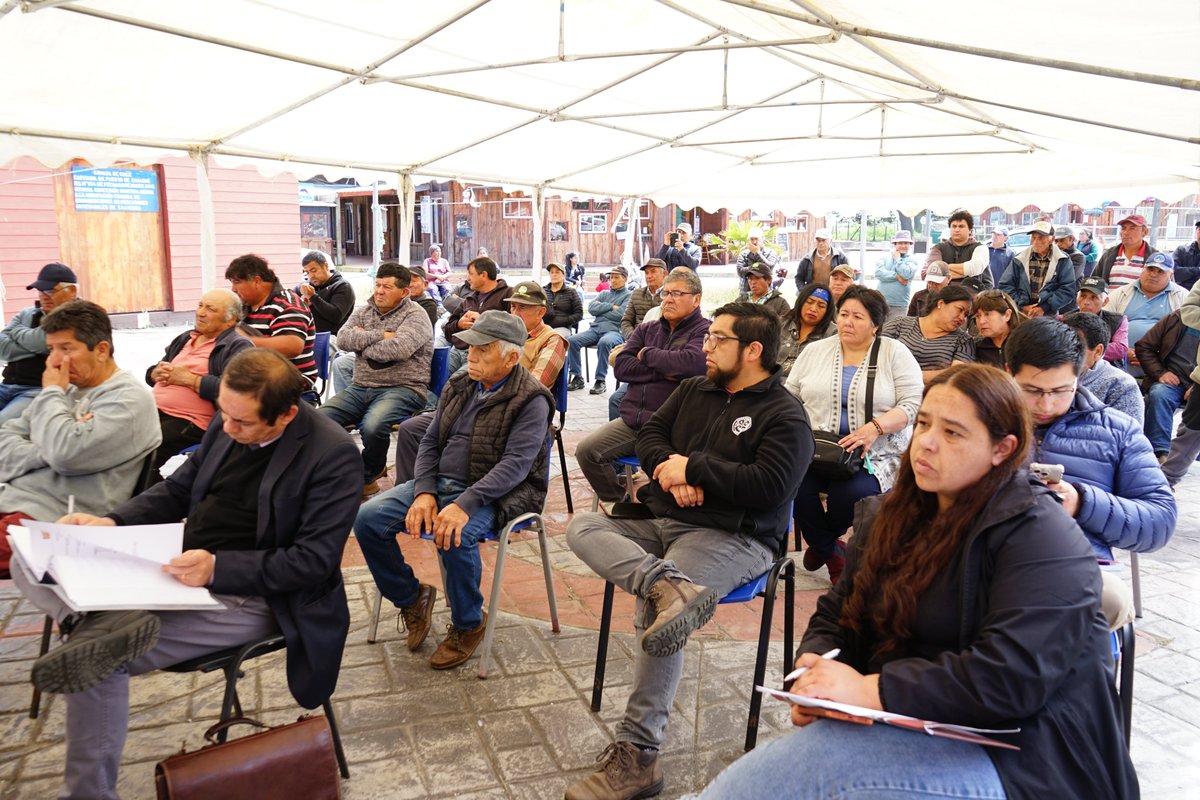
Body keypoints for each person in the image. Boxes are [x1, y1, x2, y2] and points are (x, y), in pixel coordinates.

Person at [697, 364, 1138, 800]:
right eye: (924, 423)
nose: (925, 443)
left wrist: (870, 690)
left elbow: (1010, 679)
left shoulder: (1041, 537)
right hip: (912, 721)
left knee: (800, 778)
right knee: (792, 770)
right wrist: (815, 667)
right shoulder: (893, 514)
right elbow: (840, 609)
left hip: (1025, 758)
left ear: (1002, 449)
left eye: (952, 433)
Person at [21, 348, 361, 799]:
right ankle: (90, 622)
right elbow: (180, 488)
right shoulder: (230, 414)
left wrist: (218, 568)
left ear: (286, 416)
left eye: (242, 423)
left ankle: (88, 793)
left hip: (260, 596)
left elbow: (313, 560)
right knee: (28, 558)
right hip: (182, 562)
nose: (228, 428)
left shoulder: (332, 454)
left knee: (101, 661)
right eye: (224, 414)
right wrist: (114, 522)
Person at [565, 303, 812, 800]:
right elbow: (651, 434)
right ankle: (664, 584)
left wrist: (693, 470)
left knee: (659, 615)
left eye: (719, 339)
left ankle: (639, 756)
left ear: (753, 350)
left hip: (733, 536)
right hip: (663, 519)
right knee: (585, 527)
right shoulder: (695, 388)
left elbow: (771, 487)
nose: (706, 345)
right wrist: (668, 474)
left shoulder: (784, 415)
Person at [355, 311, 552, 669]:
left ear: (511, 358)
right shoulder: (461, 383)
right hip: (443, 482)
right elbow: (430, 440)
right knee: (367, 518)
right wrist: (425, 491)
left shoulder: (531, 399)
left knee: (453, 533)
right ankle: (412, 597)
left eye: (482, 351)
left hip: (498, 493)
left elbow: (516, 466)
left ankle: (468, 623)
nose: (470, 357)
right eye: (470, 348)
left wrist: (464, 503)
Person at [1006, 317, 1175, 629]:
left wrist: (1082, 502)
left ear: (1079, 375)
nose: (1046, 403)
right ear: (1008, 373)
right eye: (1031, 390)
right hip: (987, 552)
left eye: (1060, 390)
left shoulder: (1117, 431)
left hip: (1076, 563)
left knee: (1104, 600)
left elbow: (1160, 521)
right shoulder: (983, 421)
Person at [0, 300, 162, 576]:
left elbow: (65, 456)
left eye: (66, 349)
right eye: (51, 349)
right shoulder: (68, 390)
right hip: (13, 501)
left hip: (56, 521)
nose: (53, 361)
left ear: (101, 350)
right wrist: (47, 450)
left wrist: (51, 398)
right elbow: (5, 443)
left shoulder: (127, 399)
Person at [787, 286, 923, 584]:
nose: (847, 322)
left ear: (876, 324)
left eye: (858, 317)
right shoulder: (816, 351)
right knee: (794, 488)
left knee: (850, 495)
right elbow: (790, 396)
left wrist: (875, 428)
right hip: (818, 448)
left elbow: (912, 404)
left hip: (874, 451)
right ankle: (832, 552)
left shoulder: (894, 353)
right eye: (844, 314)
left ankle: (823, 544)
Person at [574, 268, 708, 506]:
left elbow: (692, 363)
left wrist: (645, 354)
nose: (668, 299)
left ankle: (657, 515)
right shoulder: (648, 328)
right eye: (666, 293)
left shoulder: (705, 330)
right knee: (587, 451)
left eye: (677, 293)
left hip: (673, 428)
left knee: (669, 483)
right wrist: (665, 370)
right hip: (633, 422)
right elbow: (622, 367)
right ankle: (621, 502)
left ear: (696, 299)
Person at [319, 263, 433, 496]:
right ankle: (339, 470)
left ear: (404, 292)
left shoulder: (416, 315)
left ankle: (369, 474)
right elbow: (343, 339)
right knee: (318, 419)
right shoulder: (364, 310)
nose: (379, 291)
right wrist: (381, 335)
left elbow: (398, 349)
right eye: (378, 284)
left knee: (373, 425)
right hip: (361, 386)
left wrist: (361, 343)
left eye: (387, 287)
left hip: (404, 388)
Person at [146, 289, 253, 472]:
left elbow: (236, 391)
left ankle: (161, 498)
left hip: (191, 421)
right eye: (200, 305)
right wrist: (154, 374)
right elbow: (152, 372)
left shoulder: (238, 345)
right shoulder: (186, 338)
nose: (201, 312)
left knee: (143, 451)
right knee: (116, 438)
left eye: (210, 309)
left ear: (230, 319)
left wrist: (191, 380)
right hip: (153, 410)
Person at [0, 262, 80, 425]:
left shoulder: (78, 315)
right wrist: (35, 347)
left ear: (71, 291)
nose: (44, 296)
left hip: (37, 389)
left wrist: (17, 332)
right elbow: (2, 347)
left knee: (3, 425)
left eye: (51, 290)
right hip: (6, 384)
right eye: (40, 290)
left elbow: (42, 342)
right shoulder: (28, 313)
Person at [225, 253, 318, 388]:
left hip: (287, 382)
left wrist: (240, 341)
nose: (233, 289)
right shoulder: (245, 305)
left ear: (257, 281)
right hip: (256, 377)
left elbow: (293, 346)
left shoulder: (287, 304)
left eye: (237, 282)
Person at [1105, 251, 1187, 376]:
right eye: (1150, 269)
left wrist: (1152, 356)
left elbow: (1188, 339)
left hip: (1165, 367)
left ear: (1171, 275)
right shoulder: (1120, 293)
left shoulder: (1184, 297)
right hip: (1119, 364)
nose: (1154, 275)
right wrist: (1121, 351)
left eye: (1160, 271)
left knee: (1160, 394)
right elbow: (1102, 326)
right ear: (1142, 270)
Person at [1133, 308, 1198, 458]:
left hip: (1198, 383)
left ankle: (1193, 455)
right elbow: (1144, 346)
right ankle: (1159, 451)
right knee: (1159, 394)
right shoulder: (1176, 317)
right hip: (1172, 379)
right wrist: (1160, 372)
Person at [881, 284, 975, 384]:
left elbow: (957, 374)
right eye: (960, 309)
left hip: (932, 395)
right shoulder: (900, 324)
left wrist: (904, 376)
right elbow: (873, 353)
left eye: (966, 314)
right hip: (886, 389)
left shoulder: (963, 341)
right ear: (941, 303)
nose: (962, 318)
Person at [1062, 311, 1144, 424]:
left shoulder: (1121, 385)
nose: (1065, 352)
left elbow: (1129, 437)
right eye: (1062, 345)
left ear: (1098, 351)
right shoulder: (1046, 376)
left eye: (1076, 347)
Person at [566, 266, 632, 395]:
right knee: (572, 340)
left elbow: (621, 314)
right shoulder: (604, 293)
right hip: (595, 329)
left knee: (604, 342)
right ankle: (577, 377)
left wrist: (602, 311)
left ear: (625, 279)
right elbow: (591, 308)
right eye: (611, 277)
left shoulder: (629, 295)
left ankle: (600, 380)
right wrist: (611, 307)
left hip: (614, 331)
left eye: (616, 277)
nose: (612, 280)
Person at [443, 256, 513, 374]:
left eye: (470, 274)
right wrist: (459, 324)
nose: (468, 278)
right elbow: (447, 331)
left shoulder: (508, 294)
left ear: (483, 275)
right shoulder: (469, 299)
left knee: (454, 384)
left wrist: (483, 320)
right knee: (432, 376)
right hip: (457, 351)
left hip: (483, 355)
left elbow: (515, 328)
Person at [998, 220, 1078, 317]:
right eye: (1034, 237)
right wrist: (1022, 306)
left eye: (1041, 238)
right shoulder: (1020, 258)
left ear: (1051, 239)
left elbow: (1067, 289)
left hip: (1048, 315)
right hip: (1022, 313)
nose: (1036, 242)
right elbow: (1005, 285)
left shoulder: (1062, 259)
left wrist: (1044, 307)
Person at [778, 283, 836, 375]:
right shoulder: (780, 324)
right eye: (809, 302)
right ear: (800, 302)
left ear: (827, 311)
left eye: (821, 306)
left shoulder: (833, 334)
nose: (813, 309)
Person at [925, 209, 992, 289]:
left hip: (971, 296)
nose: (957, 229)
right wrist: (967, 273)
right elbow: (933, 272)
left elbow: (974, 268)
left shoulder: (980, 248)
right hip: (942, 295)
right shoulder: (937, 248)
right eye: (954, 226)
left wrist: (945, 268)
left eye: (961, 226)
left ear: (970, 230)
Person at [297, 251, 355, 334]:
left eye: (314, 270)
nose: (311, 276)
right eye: (307, 272)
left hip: (331, 336)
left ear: (326, 266)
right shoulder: (307, 286)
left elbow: (336, 316)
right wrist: (300, 303)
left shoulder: (342, 286)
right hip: (307, 334)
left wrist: (313, 297)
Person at [1075, 276, 1129, 364]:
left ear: (1105, 302)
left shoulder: (1118, 320)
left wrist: (1081, 349)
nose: (1086, 302)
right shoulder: (1065, 319)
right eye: (1083, 296)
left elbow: (1120, 349)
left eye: (1093, 297)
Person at [1098, 213, 1157, 288]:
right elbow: (1095, 281)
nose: (1126, 233)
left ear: (1144, 232)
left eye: (1132, 228)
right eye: (1123, 228)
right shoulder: (1109, 254)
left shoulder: (1155, 257)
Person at [970, 289, 1024, 369]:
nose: (981, 321)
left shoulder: (1025, 343)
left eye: (987, 314)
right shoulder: (975, 347)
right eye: (978, 316)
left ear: (1007, 315)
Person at [874, 230, 917, 320]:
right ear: (895, 244)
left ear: (910, 244)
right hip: (880, 301)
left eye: (906, 243)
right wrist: (897, 276)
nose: (903, 246)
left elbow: (906, 274)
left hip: (900, 304)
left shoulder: (912, 259)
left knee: (895, 331)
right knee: (879, 330)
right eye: (900, 243)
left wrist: (897, 259)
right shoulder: (885, 256)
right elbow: (878, 273)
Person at [621, 258, 666, 338]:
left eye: (653, 271)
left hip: (661, 341)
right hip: (636, 339)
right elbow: (626, 321)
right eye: (646, 273)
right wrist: (633, 337)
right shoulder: (636, 293)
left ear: (664, 274)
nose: (649, 276)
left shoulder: (670, 296)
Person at [795, 227, 849, 293]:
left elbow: (847, 277)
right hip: (813, 294)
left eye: (824, 240)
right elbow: (799, 278)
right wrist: (804, 292)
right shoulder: (807, 259)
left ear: (830, 241)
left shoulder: (840, 258)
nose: (821, 243)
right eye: (818, 240)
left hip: (833, 294)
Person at [735, 227, 779, 300]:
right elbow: (740, 272)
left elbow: (768, 268)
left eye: (756, 239)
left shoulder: (771, 252)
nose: (754, 242)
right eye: (752, 239)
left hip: (766, 293)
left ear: (762, 239)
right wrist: (757, 268)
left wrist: (757, 253)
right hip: (746, 292)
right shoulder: (743, 254)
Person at [543, 261, 584, 338]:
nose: (554, 274)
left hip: (562, 328)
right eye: (551, 272)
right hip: (543, 327)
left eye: (557, 272)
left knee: (552, 338)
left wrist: (565, 320)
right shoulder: (543, 291)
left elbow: (579, 314)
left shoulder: (571, 292)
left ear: (563, 275)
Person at [1171, 219, 1200, 290]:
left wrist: (1187, 274)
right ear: (1196, 232)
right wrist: (1197, 270)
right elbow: (1173, 273)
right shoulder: (1182, 250)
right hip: (1181, 293)